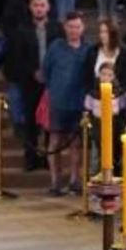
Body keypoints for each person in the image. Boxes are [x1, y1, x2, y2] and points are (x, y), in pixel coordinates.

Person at [3, 0, 61, 171]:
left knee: (49, 123)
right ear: (31, 7)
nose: (39, 9)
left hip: (52, 83)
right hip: (30, 82)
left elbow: (60, 55)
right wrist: (32, 72)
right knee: (30, 121)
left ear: (48, 7)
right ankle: (30, 157)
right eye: (36, 5)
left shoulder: (56, 29)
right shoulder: (22, 30)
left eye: (42, 5)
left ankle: (47, 157)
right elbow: (18, 57)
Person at [43, 11, 89, 196]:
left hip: (78, 103)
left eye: (77, 27)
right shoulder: (56, 47)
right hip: (58, 102)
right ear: (65, 27)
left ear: (82, 28)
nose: (74, 30)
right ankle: (55, 181)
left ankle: (74, 179)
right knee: (54, 142)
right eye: (71, 27)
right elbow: (46, 70)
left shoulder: (87, 49)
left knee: (75, 143)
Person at [84, 62, 126, 180]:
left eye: (109, 75)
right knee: (96, 157)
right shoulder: (92, 93)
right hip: (97, 127)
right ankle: (94, 184)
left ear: (113, 77)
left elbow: (124, 112)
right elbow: (87, 112)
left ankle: (115, 183)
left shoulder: (120, 93)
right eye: (103, 74)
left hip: (115, 127)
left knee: (115, 156)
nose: (106, 78)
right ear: (99, 75)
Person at [84, 18, 126, 93]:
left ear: (113, 33)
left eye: (106, 32)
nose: (102, 35)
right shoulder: (93, 51)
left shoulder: (125, 53)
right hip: (96, 96)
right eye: (101, 32)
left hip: (117, 98)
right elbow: (88, 76)